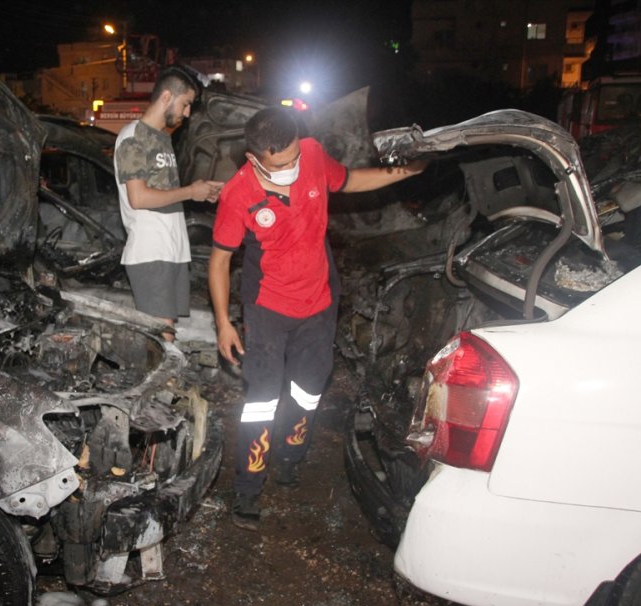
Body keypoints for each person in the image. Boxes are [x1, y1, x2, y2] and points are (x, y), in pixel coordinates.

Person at [208, 107, 426, 531]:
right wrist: (223, 323)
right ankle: (249, 488)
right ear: (255, 158)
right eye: (281, 163)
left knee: (308, 393)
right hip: (268, 310)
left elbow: (349, 179)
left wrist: (405, 173)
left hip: (320, 304)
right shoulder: (237, 194)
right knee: (262, 403)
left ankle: (290, 458)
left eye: (294, 157)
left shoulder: (311, 153)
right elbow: (219, 261)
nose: (292, 167)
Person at [114, 67, 224, 340]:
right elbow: (138, 198)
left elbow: (165, 192)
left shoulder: (162, 139)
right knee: (162, 339)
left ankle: (167, 382)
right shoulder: (132, 138)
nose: (187, 113)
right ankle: (166, 384)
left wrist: (200, 192)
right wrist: (189, 192)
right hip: (151, 251)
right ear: (166, 96)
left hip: (171, 248)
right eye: (185, 104)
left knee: (166, 334)